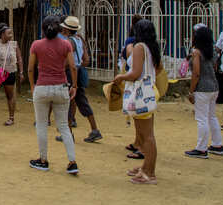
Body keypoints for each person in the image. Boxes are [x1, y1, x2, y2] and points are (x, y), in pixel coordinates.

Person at [27, 15, 79, 175]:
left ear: (43, 29)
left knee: (42, 124)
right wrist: (74, 85)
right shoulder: (65, 44)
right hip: (61, 87)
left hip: (42, 87)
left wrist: (32, 86)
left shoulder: (36, 45)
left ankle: (43, 160)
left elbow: (30, 68)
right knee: (63, 126)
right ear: (59, 29)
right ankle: (72, 162)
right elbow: (72, 66)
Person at [112, 19, 160, 185]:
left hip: (140, 93)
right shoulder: (152, 47)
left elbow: (135, 73)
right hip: (148, 91)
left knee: (146, 136)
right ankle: (146, 166)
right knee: (144, 134)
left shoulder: (140, 47)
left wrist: (121, 77)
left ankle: (149, 172)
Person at [58, 16, 102, 143]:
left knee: (69, 103)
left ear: (66, 29)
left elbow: (68, 62)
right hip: (78, 71)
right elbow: (85, 59)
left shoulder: (68, 42)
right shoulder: (78, 39)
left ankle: (68, 133)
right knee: (81, 101)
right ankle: (94, 129)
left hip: (71, 73)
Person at [184, 26, 223, 159]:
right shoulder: (211, 51)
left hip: (202, 88)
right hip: (214, 86)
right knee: (211, 116)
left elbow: (196, 73)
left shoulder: (196, 52)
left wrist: (191, 91)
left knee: (201, 118)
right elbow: (213, 66)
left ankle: (201, 148)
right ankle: (217, 144)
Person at [122, 14, 144, 160]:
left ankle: (142, 147)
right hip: (147, 87)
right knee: (138, 117)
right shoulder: (150, 48)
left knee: (141, 119)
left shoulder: (136, 46)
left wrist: (121, 77)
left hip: (138, 87)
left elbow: (133, 69)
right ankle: (138, 142)